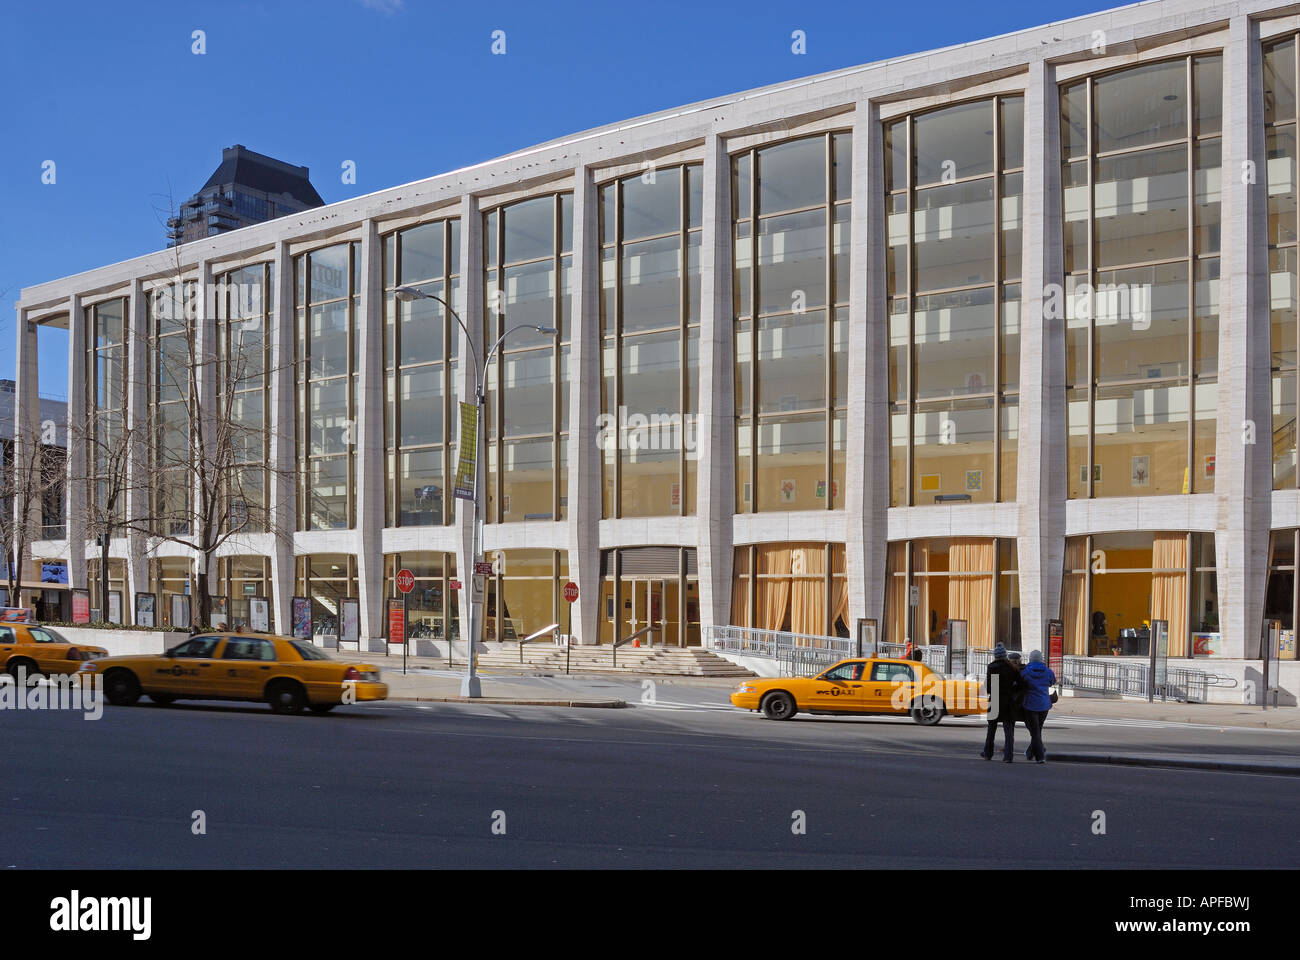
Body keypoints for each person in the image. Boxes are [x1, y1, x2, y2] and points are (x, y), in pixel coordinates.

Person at [980, 643, 1021, 762]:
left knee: (991, 729)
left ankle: (988, 753)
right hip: (1008, 701)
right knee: (1008, 731)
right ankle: (1008, 756)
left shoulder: (992, 667)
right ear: (1005, 655)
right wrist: (1012, 691)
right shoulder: (1012, 668)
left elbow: (989, 687)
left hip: (995, 700)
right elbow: (1021, 684)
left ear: (995, 656)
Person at [1019, 649, 1056, 764]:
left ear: (1030, 659)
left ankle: (1040, 756)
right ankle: (1030, 753)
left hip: (1030, 704)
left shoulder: (1025, 671)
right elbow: (1052, 681)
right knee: (1038, 730)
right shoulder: (1048, 671)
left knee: (1035, 732)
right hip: (1044, 704)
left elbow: (1020, 683)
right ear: (1041, 659)